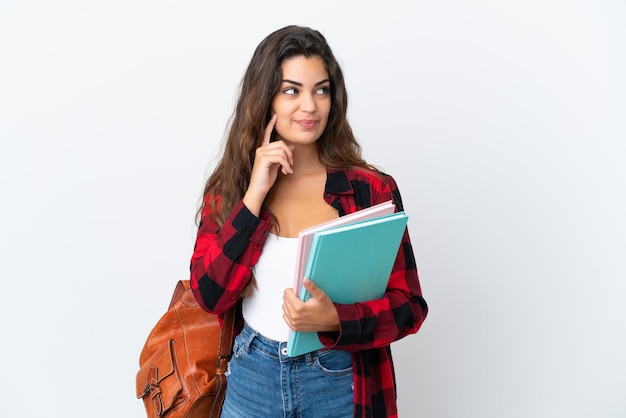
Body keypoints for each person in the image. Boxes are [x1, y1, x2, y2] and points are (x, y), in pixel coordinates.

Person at [190, 25, 428, 418]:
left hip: (337, 381)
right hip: (252, 379)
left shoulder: (370, 190)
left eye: (321, 89)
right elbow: (209, 295)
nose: (310, 106)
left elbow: (409, 307)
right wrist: (253, 196)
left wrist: (336, 318)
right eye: (291, 90)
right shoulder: (230, 188)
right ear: (264, 98)